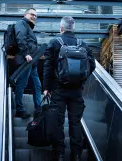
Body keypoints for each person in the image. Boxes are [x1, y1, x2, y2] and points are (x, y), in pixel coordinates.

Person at [43, 16, 96, 161]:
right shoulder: (83, 44)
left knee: (58, 121)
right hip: (77, 90)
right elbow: (93, 65)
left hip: (58, 89)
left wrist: (46, 87)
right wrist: (81, 78)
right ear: (74, 28)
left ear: (61, 28)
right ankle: (76, 154)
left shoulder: (54, 43)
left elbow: (47, 66)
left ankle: (59, 153)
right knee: (75, 122)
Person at [14, 8, 42, 119]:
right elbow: (20, 38)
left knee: (37, 85)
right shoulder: (22, 23)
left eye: (36, 15)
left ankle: (38, 108)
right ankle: (20, 110)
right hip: (27, 59)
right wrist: (26, 53)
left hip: (32, 61)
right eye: (32, 14)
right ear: (25, 14)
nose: (34, 17)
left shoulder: (29, 27)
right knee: (22, 84)